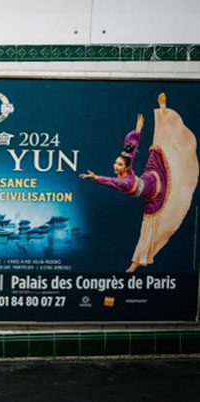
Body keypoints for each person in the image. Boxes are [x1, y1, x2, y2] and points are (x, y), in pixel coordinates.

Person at [80, 93, 198, 272]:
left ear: (125, 166)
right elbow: (114, 177)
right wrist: (97, 178)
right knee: (148, 231)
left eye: (118, 164)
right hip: (152, 194)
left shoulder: (126, 178)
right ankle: (137, 261)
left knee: (159, 146)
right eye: (115, 163)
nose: (115, 166)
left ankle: (163, 111)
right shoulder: (123, 178)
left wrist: (138, 129)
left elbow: (129, 153)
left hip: (154, 176)